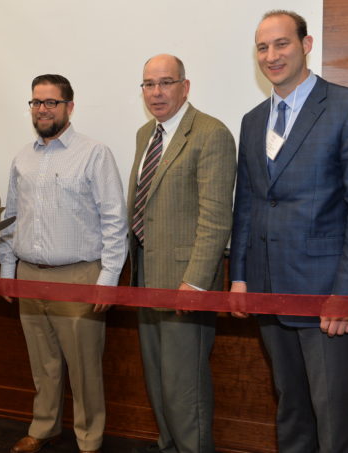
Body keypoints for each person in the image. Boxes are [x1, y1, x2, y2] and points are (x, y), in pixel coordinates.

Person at [230, 10, 348, 452]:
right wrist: (240, 277)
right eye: (263, 47)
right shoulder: (253, 120)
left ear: (306, 44)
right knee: (292, 411)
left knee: (334, 422)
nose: (271, 55)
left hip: (327, 300)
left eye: (281, 44)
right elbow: (248, 203)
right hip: (267, 291)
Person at [0, 74, 128, 453]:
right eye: (36, 102)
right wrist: (7, 271)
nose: (42, 109)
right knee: (44, 365)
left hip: (79, 277)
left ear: (69, 107)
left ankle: (89, 439)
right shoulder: (22, 157)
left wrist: (108, 278)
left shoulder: (94, 153)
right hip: (29, 275)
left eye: (51, 102)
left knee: (85, 367)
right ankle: (43, 428)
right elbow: (11, 216)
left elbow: (113, 219)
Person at [128, 54, 236, 453]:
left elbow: (215, 219)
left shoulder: (211, 134)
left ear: (185, 87)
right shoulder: (145, 134)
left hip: (185, 285)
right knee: (158, 381)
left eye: (166, 83)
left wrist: (193, 283)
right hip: (145, 279)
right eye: (148, 84)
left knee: (184, 387)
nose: (156, 93)